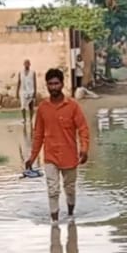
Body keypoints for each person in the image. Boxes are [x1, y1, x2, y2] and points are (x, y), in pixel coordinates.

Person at [25, 68, 90, 223]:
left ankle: (70, 216)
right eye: (50, 84)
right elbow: (38, 135)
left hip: (69, 155)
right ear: (47, 85)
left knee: (69, 188)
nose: (53, 87)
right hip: (50, 156)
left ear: (62, 84)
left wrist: (84, 149)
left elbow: (83, 129)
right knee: (53, 190)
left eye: (56, 83)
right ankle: (54, 222)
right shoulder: (42, 108)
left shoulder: (73, 106)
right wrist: (32, 157)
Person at [15, 58, 37, 124]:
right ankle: (24, 119)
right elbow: (19, 82)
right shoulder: (20, 72)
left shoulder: (33, 72)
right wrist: (17, 92)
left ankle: (31, 119)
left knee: (31, 106)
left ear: (30, 64)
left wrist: (35, 92)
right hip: (23, 91)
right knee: (23, 106)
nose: (26, 65)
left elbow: (35, 82)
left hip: (31, 91)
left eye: (28, 63)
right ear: (23, 64)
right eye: (25, 63)